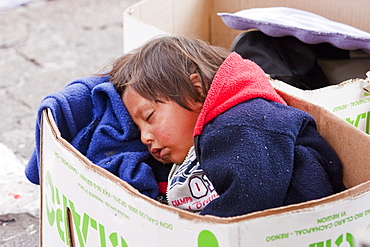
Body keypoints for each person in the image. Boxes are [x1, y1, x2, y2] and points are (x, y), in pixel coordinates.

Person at [108, 35, 345, 217]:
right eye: (138, 128)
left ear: (197, 89)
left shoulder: (240, 125)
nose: (144, 137)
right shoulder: (214, 130)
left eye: (149, 117)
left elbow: (246, 207)